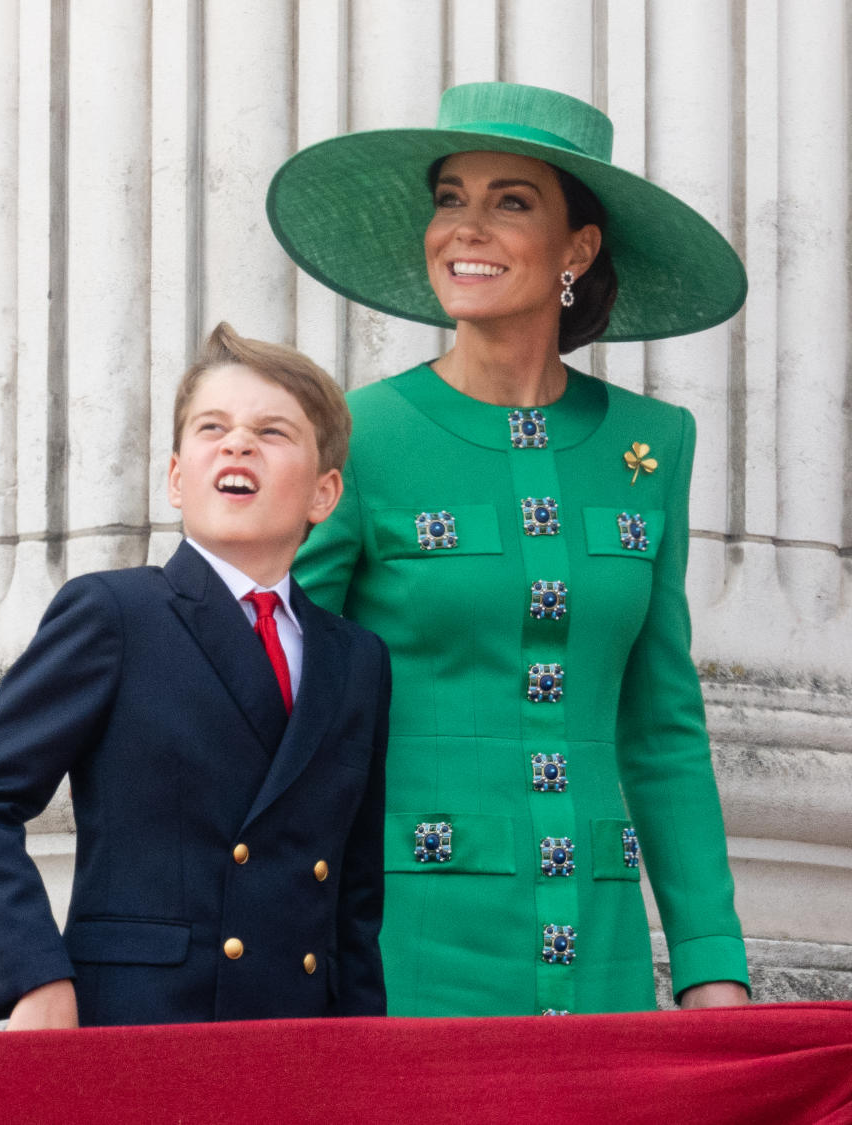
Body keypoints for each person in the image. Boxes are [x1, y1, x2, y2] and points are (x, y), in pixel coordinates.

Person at [267, 82, 751, 1016]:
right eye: (451, 198)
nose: (466, 228)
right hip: (403, 950)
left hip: (603, 958)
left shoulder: (652, 446)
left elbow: (660, 729)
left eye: (510, 201)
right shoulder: (358, 436)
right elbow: (287, 701)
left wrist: (709, 959)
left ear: (578, 248)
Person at [0, 322, 391, 1029]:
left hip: (301, 1036)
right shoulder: (116, 613)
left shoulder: (357, 659)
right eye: (213, 427)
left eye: (272, 432)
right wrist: (31, 974)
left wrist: (364, 1052)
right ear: (178, 477)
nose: (238, 443)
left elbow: (353, 897)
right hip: (140, 1027)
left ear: (323, 494)